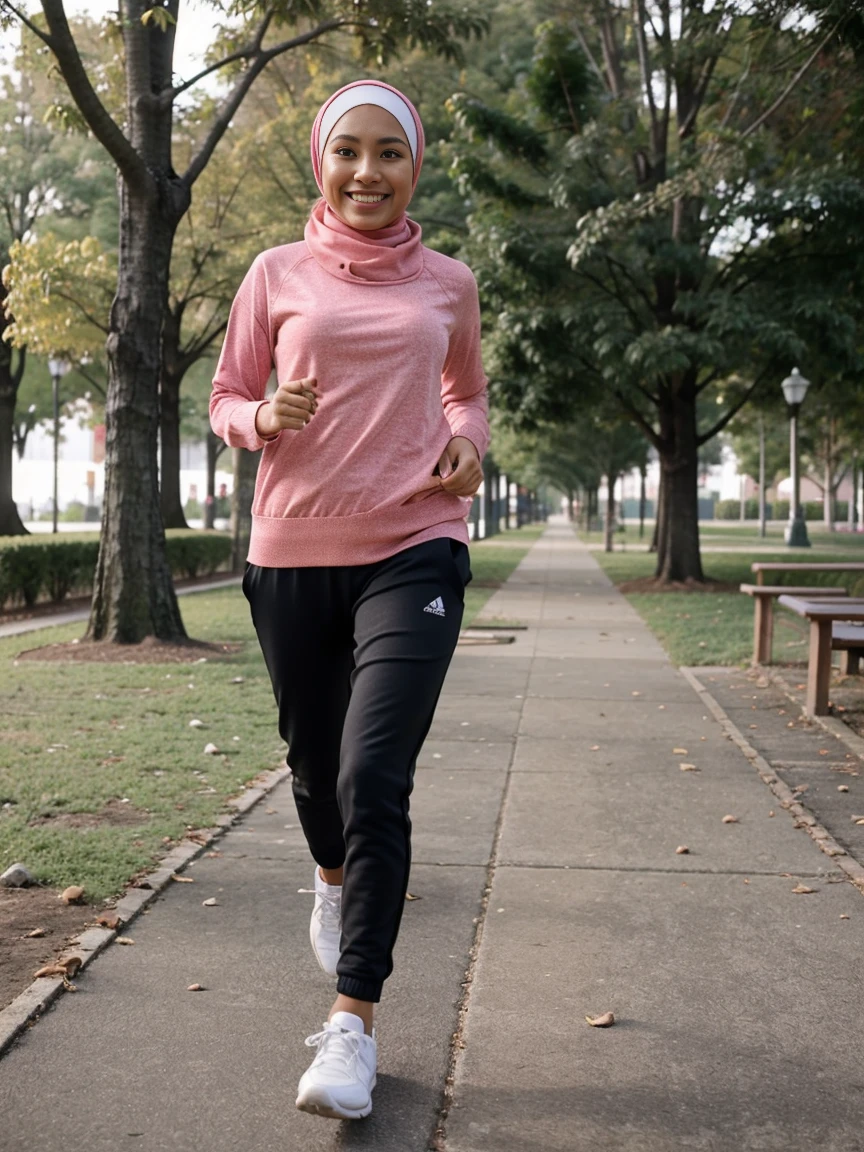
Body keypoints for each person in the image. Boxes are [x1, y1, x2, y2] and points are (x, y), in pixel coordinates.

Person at [209, 79, 489, 1122]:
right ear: (322, 164)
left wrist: (469, 443)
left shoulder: (449, 283)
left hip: (416, 545)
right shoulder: (274, 274)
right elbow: (227, 395)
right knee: (315, 766)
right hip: (293, 551)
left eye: (390, 154)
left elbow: (466, 389)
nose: (367, 171)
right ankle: (331, 876)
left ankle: (351, 1027)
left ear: (416, 166)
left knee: (375, 771)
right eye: (348, 152)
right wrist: (259, 417)